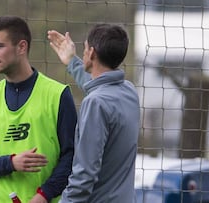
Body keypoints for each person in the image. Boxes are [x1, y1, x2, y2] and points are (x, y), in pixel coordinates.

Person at [0, 16, 77, 203]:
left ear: (21, 47)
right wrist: (12, 162)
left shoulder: (58, 94)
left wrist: (44, 195)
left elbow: (72, 156)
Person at [47, 24, 140, 202]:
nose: (83, 52)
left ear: (92, 53)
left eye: (85, 48)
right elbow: (100, 86)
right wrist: (72, 62)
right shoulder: (129, 91)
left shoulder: (95, 103)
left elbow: (84, 175)